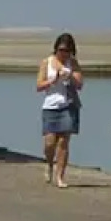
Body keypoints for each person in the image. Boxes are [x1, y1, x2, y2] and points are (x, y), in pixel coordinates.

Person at [36, 32, 83, 187]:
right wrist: (53, 80)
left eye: (67, 51)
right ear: (56, 49)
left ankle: (60, 177)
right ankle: (49, 163)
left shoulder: (73, 64)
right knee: (50, 143)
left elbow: (80, 84)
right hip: (50, 106)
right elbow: (39, 86)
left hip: (68, 106)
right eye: (61, 50)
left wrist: (69, 76)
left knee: (63, 142)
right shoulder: (46, 62)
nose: (63, 54)